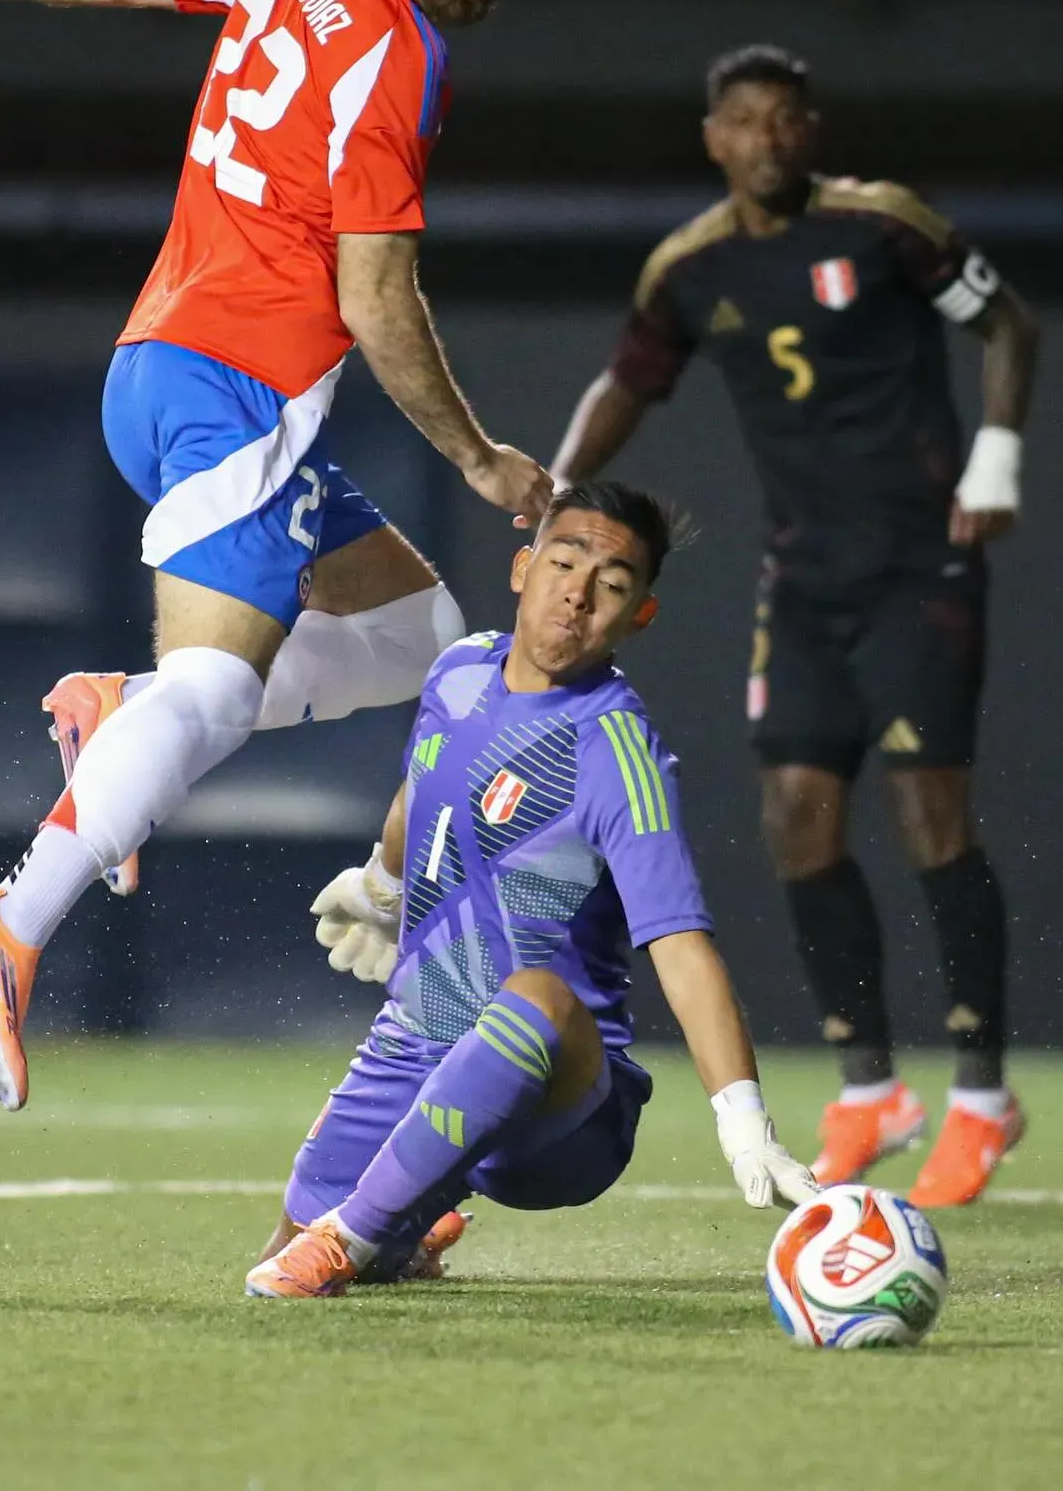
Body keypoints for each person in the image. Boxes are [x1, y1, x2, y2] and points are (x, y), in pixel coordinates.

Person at [0, 0, 553, 1112]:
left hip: (178, 370)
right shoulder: (395, 56)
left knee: (426, 645)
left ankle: (119, 713)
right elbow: (378, 298)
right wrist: (484, 458)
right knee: (211, 696)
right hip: (229, 389)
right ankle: (10, 920)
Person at [551, 46, 1040, 1210]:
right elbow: (629, 383)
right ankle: (870, 1088)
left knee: (929, 812)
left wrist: (998, 459)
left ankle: (980, 1093)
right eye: (744, 122)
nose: (767, 138)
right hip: (806, 578)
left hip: (926, 559)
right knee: (797, 820)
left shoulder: (884, 227)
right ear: (713, 137)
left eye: (785, 120)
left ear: (810, 131)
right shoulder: (690, 268)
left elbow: (1011, 327)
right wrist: (559, 489)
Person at [246, 481, 817, 1298]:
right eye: (563, 562)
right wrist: (382, 881)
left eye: (613, 585)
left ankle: (364, 1232)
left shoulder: (619, 751)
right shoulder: (456, 674)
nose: (578, 592)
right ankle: (406, 1221)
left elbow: (682, 946)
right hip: (420, 1045)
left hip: (566, 1114)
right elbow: (423, 785)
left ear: (639, 617)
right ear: (524, 568)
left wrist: (744, 1121)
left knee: (534, 998)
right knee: (271, 1262)